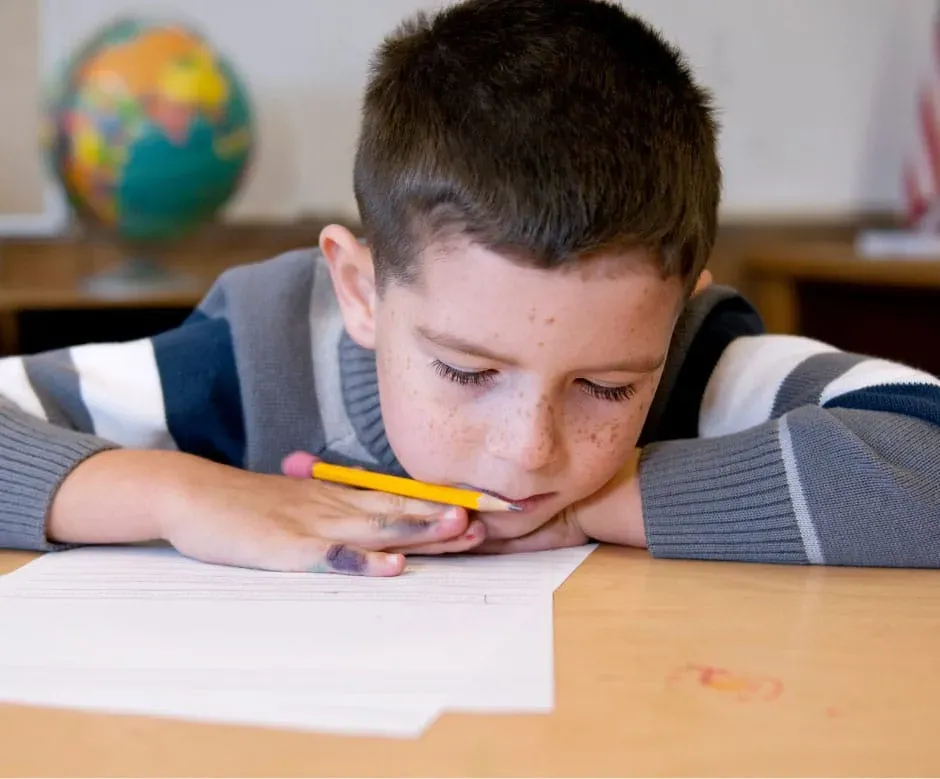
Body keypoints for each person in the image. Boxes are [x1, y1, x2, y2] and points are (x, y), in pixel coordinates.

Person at [1, 0, 938, 575]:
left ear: (679, 303)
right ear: (361, 289)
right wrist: (180, 495)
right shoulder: (260, 352)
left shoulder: (697, 358)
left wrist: (612, 503)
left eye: (608, 388)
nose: (529, 453)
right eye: (464, 372)